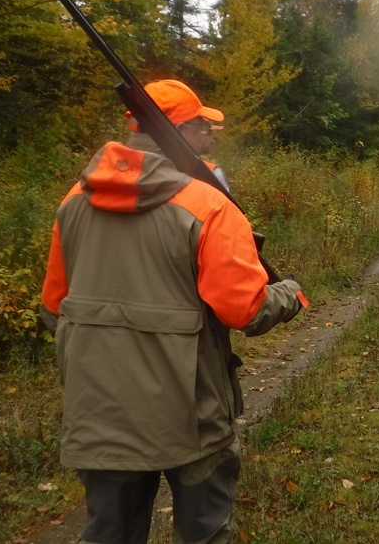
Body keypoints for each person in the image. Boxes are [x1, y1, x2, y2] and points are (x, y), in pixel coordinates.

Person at [40, 79, 307, 544]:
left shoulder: (73, 200)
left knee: (109, 535)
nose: (210, 135)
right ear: (180, 130)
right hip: (193, 414)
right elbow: (245, 309)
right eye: (204, 126)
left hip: (101, 409)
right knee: (203, 533)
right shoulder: (208, 204)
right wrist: (290, 294)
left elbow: (53, 309)